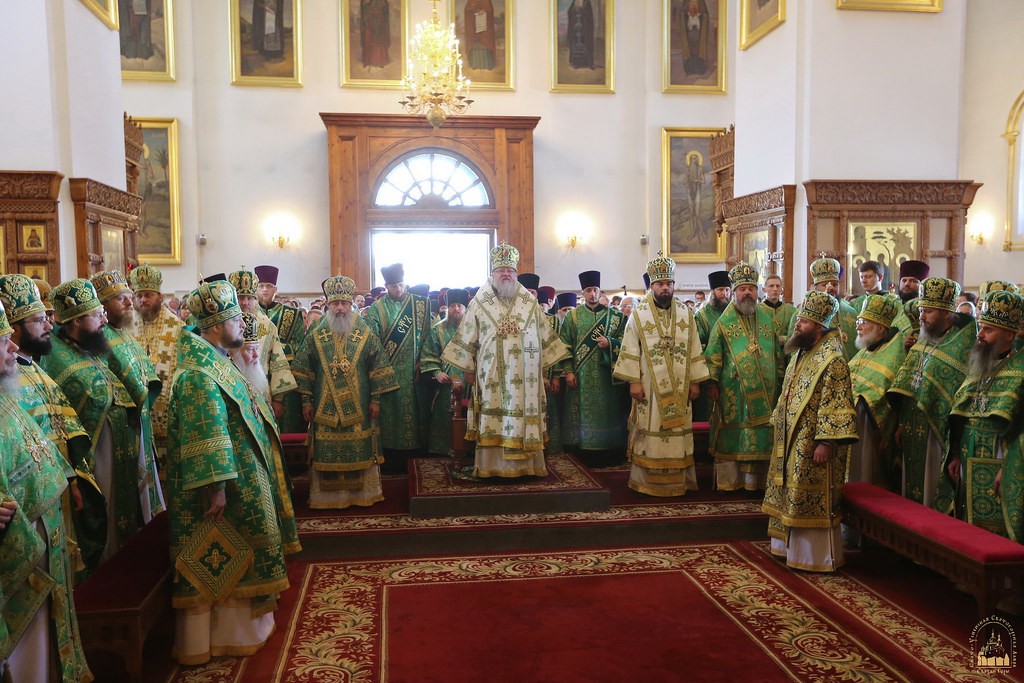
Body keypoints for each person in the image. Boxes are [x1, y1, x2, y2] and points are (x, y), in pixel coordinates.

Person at [166, 280, 299, 665]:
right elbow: (206, 431)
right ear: (214, 326)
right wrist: (217, 487)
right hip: (225, 486)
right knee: (223, 551)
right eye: (235, 318)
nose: (243, 322)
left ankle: (242, 629)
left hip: (239, 475)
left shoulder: (215, 359)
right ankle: (223, 635)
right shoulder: (199, 373)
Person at [0, 299, 92, 682]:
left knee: (45, 641)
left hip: (43, 535)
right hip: (16, 550)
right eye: (2, 340)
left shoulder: (6, 392)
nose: (12, 346)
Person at [0, 274, 102, 574]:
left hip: (54, 494)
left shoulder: (33, 369)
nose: (49, 326)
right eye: (39, 320)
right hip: (24, 510)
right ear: (14, 327)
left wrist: (72, 479)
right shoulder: (9, 381)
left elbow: (59, 431)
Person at [41, 279, 144, 570]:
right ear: (76, 320)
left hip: (115, 451)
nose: (104, 320)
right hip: (93, 458)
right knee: (104, 512)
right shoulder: (56, 359)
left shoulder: (89, 348)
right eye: (97, 315)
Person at [441, 244, 569, 479]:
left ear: (516, 273)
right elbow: (468, 336)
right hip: (491, 374)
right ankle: (492, 467)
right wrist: (468, 369)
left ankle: (528, 467)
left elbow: (545, 337)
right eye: (501, 270)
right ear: (493, 273)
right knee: (495, 417)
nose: (506, 274)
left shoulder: (529, 302)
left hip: (527, 376)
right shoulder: (480, 301)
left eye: (510, 270)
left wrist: (543, 371)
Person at [762, 291, 858, 572]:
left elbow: (836, 402)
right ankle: (787, 548)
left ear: (819, 326)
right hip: (790, 437)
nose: (797, 324)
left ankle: (813, 557)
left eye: (803, 321)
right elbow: (787, 392)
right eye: (798, 319)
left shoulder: (833, 359)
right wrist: (778, 422)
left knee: (808, 496)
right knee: (789, 493)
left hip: (812, 442)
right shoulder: (801, 351)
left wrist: (826, 442)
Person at [294, 276, 399, 507]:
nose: (340, 308)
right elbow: (303, 369)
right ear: (328, 305)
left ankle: (363, 495)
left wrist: (375, 399)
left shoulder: (364, 332)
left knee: (360, 447)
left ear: (351, 305)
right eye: (335, 303)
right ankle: (326, 499)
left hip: (359, 404)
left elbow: (377, 367)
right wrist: (305, 401)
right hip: (324, 406)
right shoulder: (316, 333)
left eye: (344, 303)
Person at [612, 254, 710, 496]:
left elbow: (695, 348)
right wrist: (634, 381)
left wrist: (695, 382)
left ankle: (679, 481)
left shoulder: (686, 313)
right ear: (652, 286)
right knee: (650, 426)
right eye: (659, 284)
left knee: (678, 431)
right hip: (648, 386)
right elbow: (630, 348)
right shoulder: (639, 314)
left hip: (680, 386)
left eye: (668, 283)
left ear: (673, 285)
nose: (664, 288)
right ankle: (646, 481)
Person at [888, 277, 976, 512]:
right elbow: (906, 384)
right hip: (912, 427)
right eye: (920, 310)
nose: (921, 317)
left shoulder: (962, 346)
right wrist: (901, 423)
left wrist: (954, 447)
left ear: (947, 313)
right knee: (911, 487)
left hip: (939, 432)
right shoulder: (922, 340)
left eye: (928, 311)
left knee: (932, 487)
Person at [946, 289, 1024, 543]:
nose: (979, 334)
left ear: (1009, 334)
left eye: (988, 330)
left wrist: (1009, 468)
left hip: (1000, 459)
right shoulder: (980, 363)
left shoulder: (1021, 369)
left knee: (996, 535)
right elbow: (960, 413)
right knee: (968, 529)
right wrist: (954, 453)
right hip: (967, 456)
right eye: (980, 327)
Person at [92, 269, 164, 523]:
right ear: (102, 305)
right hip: (123, 427)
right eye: (120, 298)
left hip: (139, 421)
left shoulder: (122, 332)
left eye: (128, 296)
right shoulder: (99, 337)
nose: (129, 302)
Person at [704, 262, 784, 492]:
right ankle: (732, 482)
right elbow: (713, 356)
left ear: (757, 291)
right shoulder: (724, 323)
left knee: (763, 436)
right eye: (742, 289)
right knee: (736, 435)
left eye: (751, 288)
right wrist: (712, 382)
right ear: (734, 292)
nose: (747, 293)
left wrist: (780, 379)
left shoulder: (767, 319)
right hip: (733, 393)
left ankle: (758, 484)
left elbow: (777, 355)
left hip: (768, 393)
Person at [364, 262, 431, 474]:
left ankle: (417, 456)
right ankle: (391, 460)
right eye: (394, 286)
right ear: (386, 286)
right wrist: (380, 370)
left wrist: (423, 362)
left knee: (415, 415)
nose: (399, 289)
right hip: (388, 373)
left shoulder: (420, 304)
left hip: (414, 373)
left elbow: (428, 337)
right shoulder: (377, 308)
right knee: (390, 417)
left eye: (401, 285)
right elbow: (373, 342)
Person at [559, 270, 629, 468]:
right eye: (588, 290)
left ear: (600, 291)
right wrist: (569, 371)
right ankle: (584, 454)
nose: (592, 294)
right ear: (583, 293)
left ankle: (610, 451)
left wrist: (611, 342)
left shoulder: (616, 317)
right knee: (582, 415)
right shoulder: (572, 317)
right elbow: (564, 345)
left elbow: (626, 342)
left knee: (609, 414)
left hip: (608, 378)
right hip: (581, 377)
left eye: (595, 290)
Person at [847, 294, 906, 490]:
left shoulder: (894, 353)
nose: (858, 327)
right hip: (850, 424)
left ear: (880, 328)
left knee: (864, 471)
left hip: (867, 429)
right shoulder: (865, 349)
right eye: (859, 321)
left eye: (864, 322)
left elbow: (884, 393)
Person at [130, 263, 184, 460]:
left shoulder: (178, 328)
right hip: (136, 415)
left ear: (160, 297)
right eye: (139, 295)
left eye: (148, 295)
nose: (143, 300)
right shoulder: (125, 328)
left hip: (169, 416)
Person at [229, 268, 298, 420]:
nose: (245, 302)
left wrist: (278, 399)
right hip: (230, 391)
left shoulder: (268, 326)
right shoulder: (224, 326)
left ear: (255, 299)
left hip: (261, 392)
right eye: (240, 297)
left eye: (249, 298)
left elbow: (277, 362)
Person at [254, 265, 307, 432]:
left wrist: (273, 349)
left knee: (287, 428)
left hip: (285, 378)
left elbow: (300, 347)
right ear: (256, 288)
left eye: (269, 286)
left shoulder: (292, 314)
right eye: (261, 286)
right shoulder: (248, 314)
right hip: (256, 375)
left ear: (275, 289)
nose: (265, 289)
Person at [419, 288, 470, 457]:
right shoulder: (438, 330)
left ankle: (469, 449)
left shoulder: (474, 329)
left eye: (460, 306)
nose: (456, 309)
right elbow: (429, 354)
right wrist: (437, 372)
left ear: (466, 308)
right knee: (443, 413)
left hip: (471, 382)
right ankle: (443, 449)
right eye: (453, 305)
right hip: (447, 383)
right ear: (447, 308)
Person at [804, 257, 859, 359]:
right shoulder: (804, 314)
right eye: (825, 285)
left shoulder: (851, 312)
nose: (831, 288)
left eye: (834, 284)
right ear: (815, 288)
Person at [760, 273, 795, 349]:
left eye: (778, 286)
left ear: (781, 290)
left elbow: (796, 334)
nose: (775, 289)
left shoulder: (791, 311)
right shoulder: (757, 310)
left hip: (785, 352)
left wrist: (784, 339)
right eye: (771, 286)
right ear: (764, 289)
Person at [464, 0, 496, 70]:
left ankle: (487, 65)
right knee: (475, 44)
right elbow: (467, 9)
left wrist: (483, 12)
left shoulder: (486, 1)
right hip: (474, 27)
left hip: (484, 27)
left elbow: (489, 10)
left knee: (486, 44)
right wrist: (473, 10)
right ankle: (474, 64)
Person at [361, 0, 391, 68]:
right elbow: (364, 6)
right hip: (369, 22)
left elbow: (385, 6)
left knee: (379, 42)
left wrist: (380, 7)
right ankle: (367, 61)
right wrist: (366, 4)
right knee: (368, 41)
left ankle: (379, 61)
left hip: (379, 23)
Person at [567, 0, 595, 69]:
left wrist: (581, 11)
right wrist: (575, 11)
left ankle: (587, 63)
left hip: (585, 30)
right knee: (576, 46)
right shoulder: (574, 2)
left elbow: (589, 16)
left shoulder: (587, 2)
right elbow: (570, 12)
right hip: (576, 29)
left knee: (586, 45)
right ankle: (576, 63)